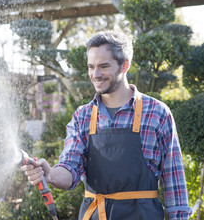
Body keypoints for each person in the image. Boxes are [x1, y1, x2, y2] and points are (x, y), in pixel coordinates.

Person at [21, 31, 191, 220]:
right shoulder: (82, 117)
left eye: (103, 66)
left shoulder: (157, 114)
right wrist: (50, 174)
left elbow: (175, 188)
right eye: (91, 67)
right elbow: (70, 167)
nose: (96, 74)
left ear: (124, 65)